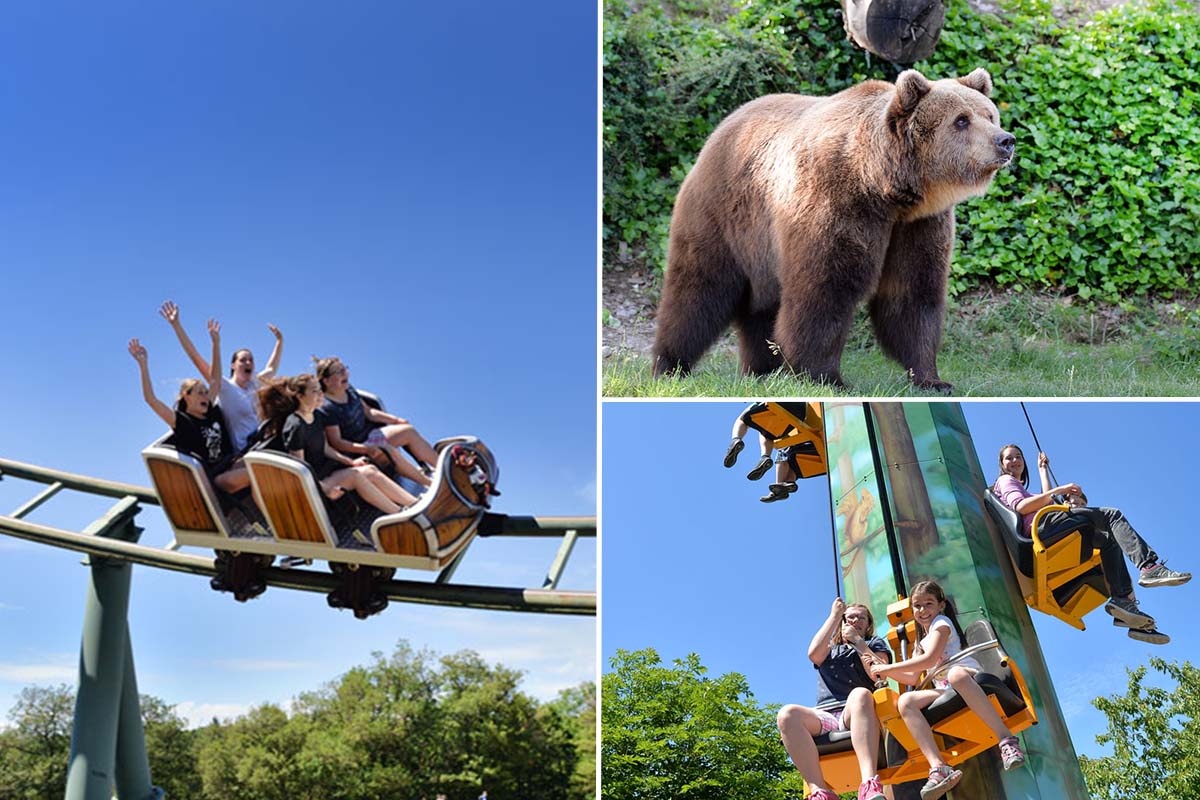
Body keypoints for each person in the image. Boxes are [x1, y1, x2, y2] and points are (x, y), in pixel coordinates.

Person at [994, 444, 1188, 644]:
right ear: (1001, 463)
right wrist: (1062, 490)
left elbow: (1046, 500)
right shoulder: (1005, 480)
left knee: (1108, 540)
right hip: (1043, 528)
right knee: (1112, 515)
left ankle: (1124, 603)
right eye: (1009, 458)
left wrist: (1042, 470)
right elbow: (1021, 507)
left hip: (1046, 526)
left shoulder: (1026, 490)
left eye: (1019, 457)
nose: (1015, 461)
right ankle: (1149, 567)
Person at [869, 580, 1025, 800]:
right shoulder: (920, 639)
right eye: (917, 606)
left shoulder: (942, 624)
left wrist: (887, 667)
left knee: (955, 674)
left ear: (940, 605)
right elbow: (912, 676)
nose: (922, 610)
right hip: (945, 688)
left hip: (967, 676)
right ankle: (939, 767)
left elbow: (930, 659)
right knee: (906, 701)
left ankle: (1007, 741)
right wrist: (883, 671)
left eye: (928, 604)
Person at [777, 597, 891, 800]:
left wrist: (858, 642)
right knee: (787, 714)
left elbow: (879, 673)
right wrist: (834, 615)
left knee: (860, 694)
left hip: (855, 711)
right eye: (851, 617)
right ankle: (819, 791)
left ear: (868, 624)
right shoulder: (830, 649)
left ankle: (868, 783)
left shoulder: (873, 644)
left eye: (861, 618)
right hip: (827, 715)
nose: (856, 621)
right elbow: (813, 654)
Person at [258, 374, 417, 513]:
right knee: (355, 476)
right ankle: (400, 514)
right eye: (315, 391)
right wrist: (324, 488)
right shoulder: (295, 426)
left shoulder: (316, 415)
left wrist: (351, 461)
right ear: (300, 396)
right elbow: (300, 469)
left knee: (370, 470)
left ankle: (415, 504)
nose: (321, 395)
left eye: (320, 390)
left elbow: (326, 448)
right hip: (312, 485)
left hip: (325, 473)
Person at [129, 321, 249, 493]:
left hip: (233, 463)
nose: (205, 396)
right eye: (199, 392)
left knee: (267, 460)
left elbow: (215, 377)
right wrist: (143, 366)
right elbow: (151, 400)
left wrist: (216, 344)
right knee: (257, 472)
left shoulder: (212, 411)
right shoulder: (183, 422)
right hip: (217, 479)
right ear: (186, 396)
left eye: (206, 392)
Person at [159, 299, 284, 454]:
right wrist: (176, 325)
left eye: (251, 360)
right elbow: (195, 358)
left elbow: (271, 368)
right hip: (247, 450)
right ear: (233, 366)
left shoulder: (255, 382)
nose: (248, 363)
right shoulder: (225, 387)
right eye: (243, 360)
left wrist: (279, 342)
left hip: (265, 441)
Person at [313, 356, 437, 488]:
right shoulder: (327, 407)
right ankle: (430, 485)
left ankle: (441, 467)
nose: (344, 374)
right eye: (338, 372)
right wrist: (366, 449)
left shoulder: (348, 389)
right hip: (356, 450)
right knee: (387, 449)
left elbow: (368, 412)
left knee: (408, 430)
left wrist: (395, 420)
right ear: (326, 381)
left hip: (370, 436)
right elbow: (337, 443)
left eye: (344, 369)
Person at [724, 402, 775, 480]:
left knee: (742, 419)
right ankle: (765, 456)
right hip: (795, 415)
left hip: (773, 405)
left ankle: (736, 439)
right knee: (766, 430)